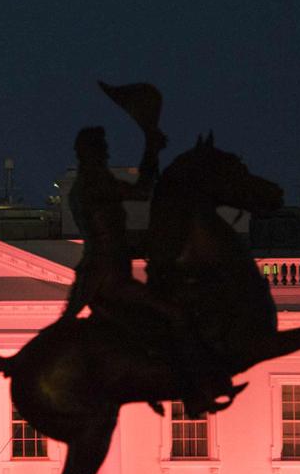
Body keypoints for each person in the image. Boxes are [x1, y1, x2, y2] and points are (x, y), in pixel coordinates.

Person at [63, 84, 242, 415]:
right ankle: (194, 391)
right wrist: (151, 149)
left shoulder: (89, 183)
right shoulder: (95, 182)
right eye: (101, 148)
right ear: (88, 152)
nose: (105, 153)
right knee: (175, 314)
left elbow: (124, 223)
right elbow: (143, 192)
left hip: (106, 267)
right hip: (110, 275)